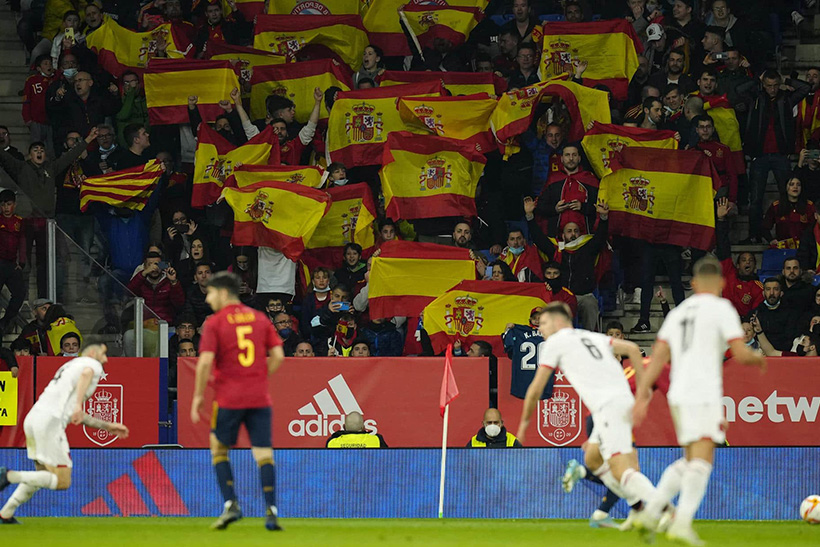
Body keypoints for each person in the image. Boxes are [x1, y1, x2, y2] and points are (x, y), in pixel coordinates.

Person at [634, 257, 766, 544]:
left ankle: (651, 512)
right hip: (703, 392)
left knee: (691, 458)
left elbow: (657, 358)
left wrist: (642, 395)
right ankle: (680, 523)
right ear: (721, 283)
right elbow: (740, 353)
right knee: (702, 460)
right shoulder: (722, 309)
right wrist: (758, 359)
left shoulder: (677, 313)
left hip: (679, 393)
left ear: (693, 284)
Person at [517, 303, 656, 523]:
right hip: (605, 409)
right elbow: (630, 348)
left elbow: (535, 388)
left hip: (612, 406)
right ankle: (625, 509)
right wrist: (643, 392)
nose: (539, 328)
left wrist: (524, 424)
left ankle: (662, 509)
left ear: (557, 322)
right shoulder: (589, 336)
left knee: (625, 469)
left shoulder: (556, 341)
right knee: (593, 458)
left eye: (543, 323)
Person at [190, 271, 286, 531]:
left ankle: (231, 504)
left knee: (219, 449)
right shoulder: (259, 318)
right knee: (264, 453)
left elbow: (205, 362)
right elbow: (278, 355)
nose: (208, 299)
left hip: (228, 398)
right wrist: (257, 376)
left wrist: (198, 396)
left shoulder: (215, 322)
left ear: (222, 293)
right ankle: (272, 510)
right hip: (259, 397)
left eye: (210, 293)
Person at [0, 345, 129, 523]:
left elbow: (76, 415)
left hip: (33, 419)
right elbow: (86, 374)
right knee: (62, 481)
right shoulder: (91, 364)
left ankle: (6, 513)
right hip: (49, 423)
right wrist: (78, 404)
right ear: (91, 353)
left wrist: (107, 426)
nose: (106, 359)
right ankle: (8, 476)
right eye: (103, 354)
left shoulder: (69, 367)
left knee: (42, 475)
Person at [737, 71, 810, 243]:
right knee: (755, 199)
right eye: (768, 85)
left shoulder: (786, 99)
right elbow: (739, 90)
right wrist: (757, 79)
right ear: (764, 85)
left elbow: (805, 88)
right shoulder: (756, 97)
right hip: (759, 155)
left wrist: (787, 79)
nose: (772, 89)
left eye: (775, 85)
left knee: (786, 195)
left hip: (780, 155)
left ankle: (786, 234)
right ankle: (755, 235)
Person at [526, 198, 610, 331]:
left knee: (590, 303)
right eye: (569, 231)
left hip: (583, 295)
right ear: (563, 235)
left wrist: (604, 217)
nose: (573, 234)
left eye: (576, 231)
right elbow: (539, 239)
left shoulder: (587, 248)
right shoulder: (556, 250)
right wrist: (530, 216)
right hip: (561, 295)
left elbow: (600, 237)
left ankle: (589, 341)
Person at [715, 198, 763, 317]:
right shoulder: (729, 273)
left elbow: (755, 314)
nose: (748, 262)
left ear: (755, 266)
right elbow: (723, 246)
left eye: (751, 260)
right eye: (744, 260)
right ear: (737, 265)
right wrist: (721, 220)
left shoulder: (758, 287)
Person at [537, 145, 600, 236]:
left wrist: (583, 207)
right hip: (557, 237)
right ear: (562, 159)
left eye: (574, 155)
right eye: (567, 155)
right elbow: (540, 207)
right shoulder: (553, 179)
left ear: (579, 158)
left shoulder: (590, 180)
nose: (571, 158)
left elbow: (600, 209)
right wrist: (555, 209)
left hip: (585, 236)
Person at [502, 308, 553, 399]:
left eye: (540, 318)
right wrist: (508, 330)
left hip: (532, 380)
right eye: (535, 318)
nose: (537, 320)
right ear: (530, 319)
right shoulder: (519, 331)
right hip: (527, 378)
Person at [763, 177, 815, 247]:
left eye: (798, 185)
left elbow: (816, 227)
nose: (795, 187)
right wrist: (771, 240)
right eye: (792, 184)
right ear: (786, 187)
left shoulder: (809, 206)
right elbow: (765, 226)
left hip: (805, 247)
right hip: (784, 247)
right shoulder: (776, 206)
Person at [0, 190, 26, 334]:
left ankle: (5, 321)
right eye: (3, 205)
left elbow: (23, 242)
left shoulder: (19, 222)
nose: (6, 208)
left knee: (20, 293)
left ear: (14, 205)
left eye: (9, 204)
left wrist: (21, 262)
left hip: (11, 264)